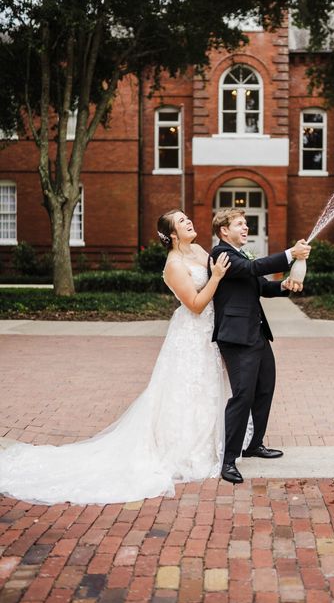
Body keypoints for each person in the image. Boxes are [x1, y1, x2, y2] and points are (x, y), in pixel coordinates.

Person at [0, 209, 232, 505]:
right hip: (191, 334)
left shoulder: (200, 250)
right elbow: (197, 304)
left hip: (208, 334)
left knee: (206, 389)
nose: (189, 222)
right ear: (172, 235)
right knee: (185, 390)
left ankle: (209, 445)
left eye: (187, 218)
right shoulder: (173, 265)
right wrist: (216, 276)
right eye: (182, 221)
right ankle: (185, 452)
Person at [210, 208, 311, 484]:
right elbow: (254, 268)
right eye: (240, 224)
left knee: (265, 388)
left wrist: (287, 285)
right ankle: (228, 461)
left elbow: (263, 287)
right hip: (236, 337)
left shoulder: (241, 255)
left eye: (246, 224)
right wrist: (291, 254)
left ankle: (254, 444)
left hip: (257, 334)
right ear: (223, 231)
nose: (246, 228)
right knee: (242, 396)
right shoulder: (221, 255)